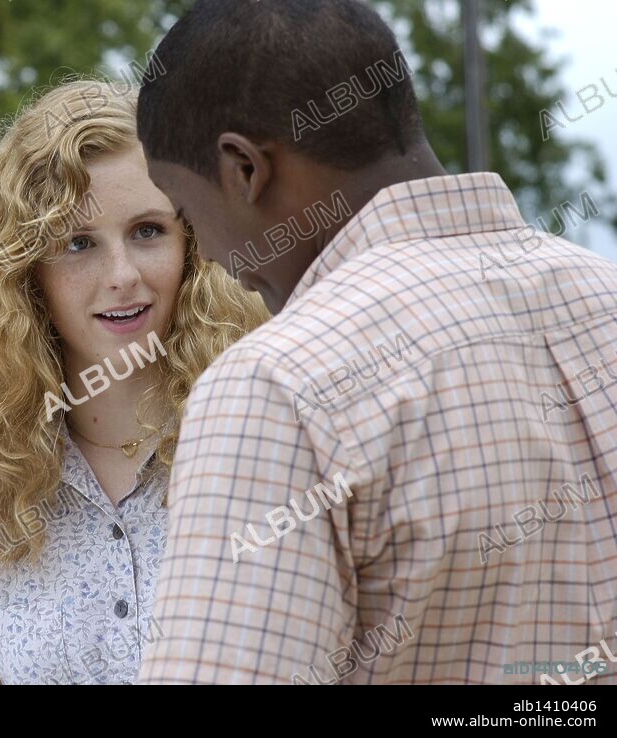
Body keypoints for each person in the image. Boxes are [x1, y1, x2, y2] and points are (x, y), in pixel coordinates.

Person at [134, 0, 617, 684]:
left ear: (243, 169)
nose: (207, 256)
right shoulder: (605, 299)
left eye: (185, 211)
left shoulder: (278, 388)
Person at [0, 78, 269, 684]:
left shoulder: (263, 439)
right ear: (23, 273)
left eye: (148, 230)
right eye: (77, 243)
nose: (121, 275)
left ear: (193, 245)